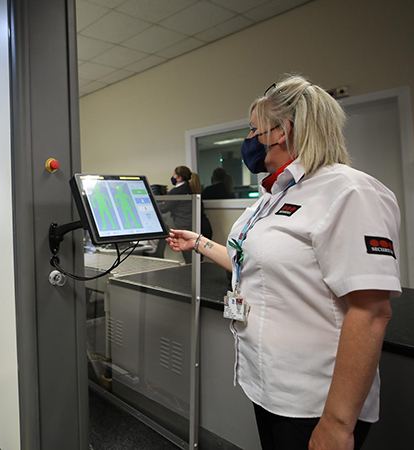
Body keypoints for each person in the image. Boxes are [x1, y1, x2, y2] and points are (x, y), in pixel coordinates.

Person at [166, 75, 401, 450]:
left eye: (253, 129)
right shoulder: (272, 195)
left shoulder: (349, 192)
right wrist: (198, 242)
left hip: (315, 400)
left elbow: (372, 311)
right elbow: (247, 261)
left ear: (281, 132)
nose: (249, 140)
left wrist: (338, 425)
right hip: (269, 386)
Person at [158, 165, 212, 263]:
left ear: (179, 178)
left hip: (189, 230)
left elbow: (163, 208)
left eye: (174, 176)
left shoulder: (176, 192)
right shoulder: (192, 188)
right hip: (203, 227)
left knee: (191, 263)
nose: (172, 178)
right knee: (199, 263)